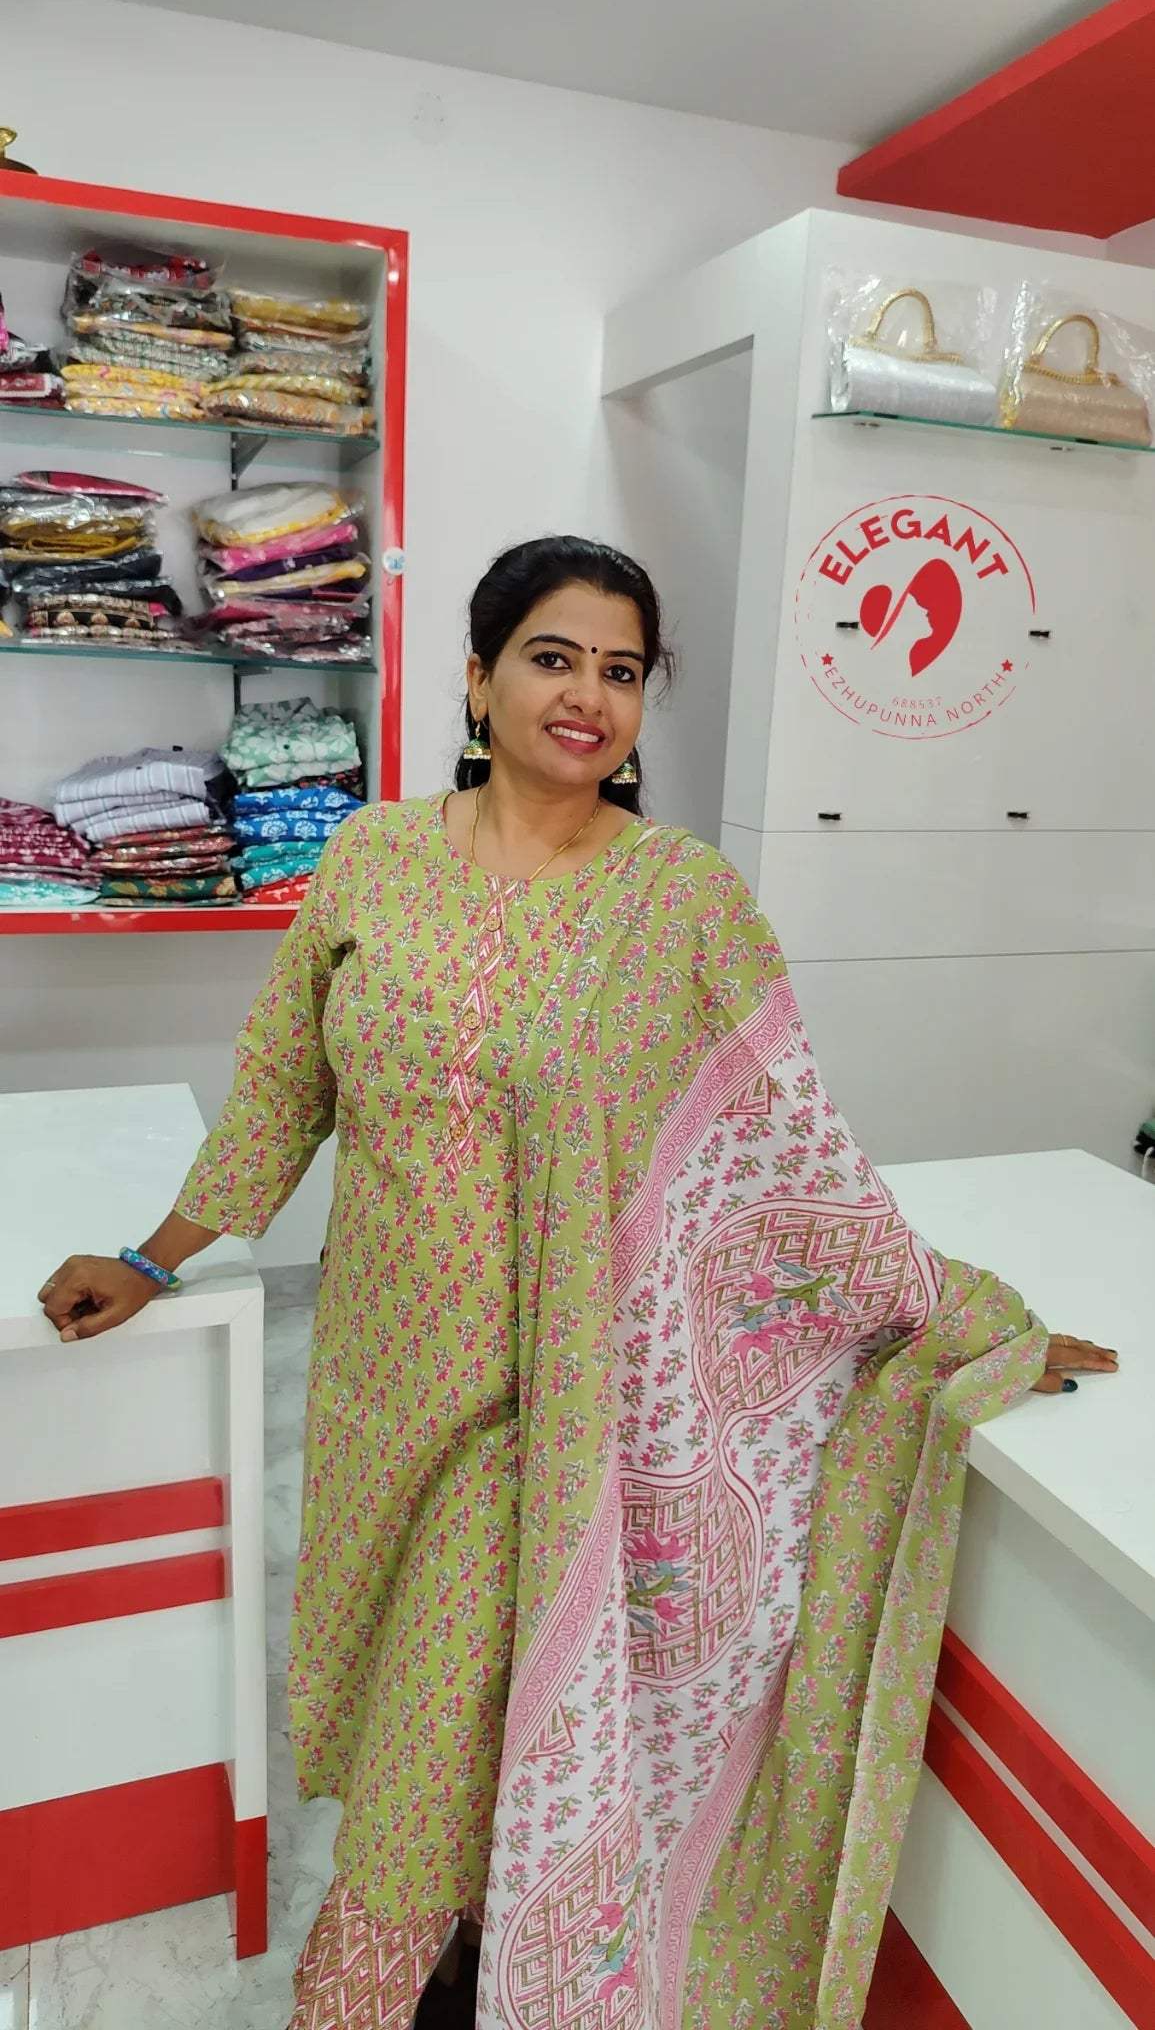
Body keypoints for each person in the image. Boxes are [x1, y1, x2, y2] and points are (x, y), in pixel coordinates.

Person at [39, 536, 1117, 2030]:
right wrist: (159, 1253)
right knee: (467, 1725)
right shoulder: (369, 860)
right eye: (555, 657)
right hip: (379, 1393)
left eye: (622, 672)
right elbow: (287, 1088)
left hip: (560, 1411)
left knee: (418, 1783)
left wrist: (951, 1313)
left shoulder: (683, 902)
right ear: (476, 678)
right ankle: (488, 1958)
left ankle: (368, 1999)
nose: (589, 697)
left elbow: (786, 1159)